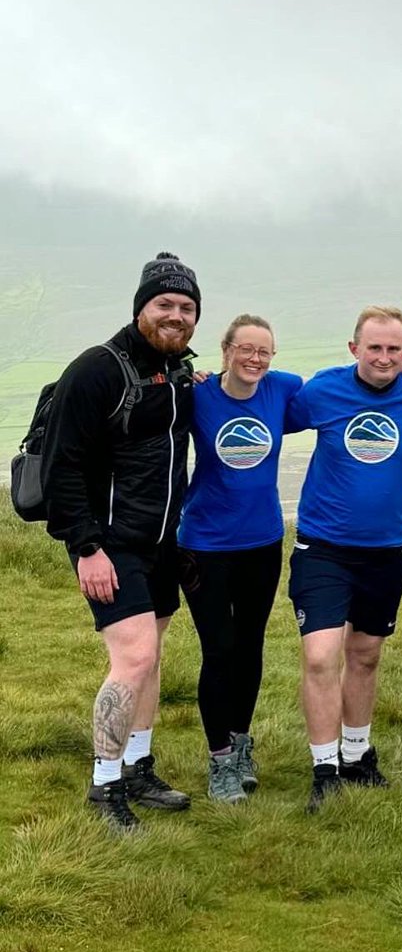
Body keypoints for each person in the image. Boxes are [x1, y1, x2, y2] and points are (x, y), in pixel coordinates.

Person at [42, 252, 200, 830]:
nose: (175, 315)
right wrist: (85, 547)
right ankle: (105, 784)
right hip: (108, 544)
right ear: (141, 309)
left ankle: (137, 766)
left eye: (186, 307)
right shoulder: (98, 370)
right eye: (164, 305)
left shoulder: (179, 372)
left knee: (151, 656)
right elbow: (62, 467)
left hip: (160, 545)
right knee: (132, 656)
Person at [284, 306, 402, 811]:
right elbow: (264, 410)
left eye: (394, 349)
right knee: (320, 655)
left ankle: (357, 756)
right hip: (324, 547)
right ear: (353, 349)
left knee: (366, 655)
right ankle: (323, 768)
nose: (384, 357)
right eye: (374, 347)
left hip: (387, 551)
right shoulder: (321, 391)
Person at [177, 315, 303, 803]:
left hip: (262, 542)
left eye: (264, 351)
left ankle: (242, 744)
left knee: (251, 646)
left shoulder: (282, 389)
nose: (254, 359)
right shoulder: (199, 394)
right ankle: (219, 761)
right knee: (220, 649)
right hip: (204, 544)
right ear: (225, 350)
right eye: (245, 349)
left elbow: (343, 393)